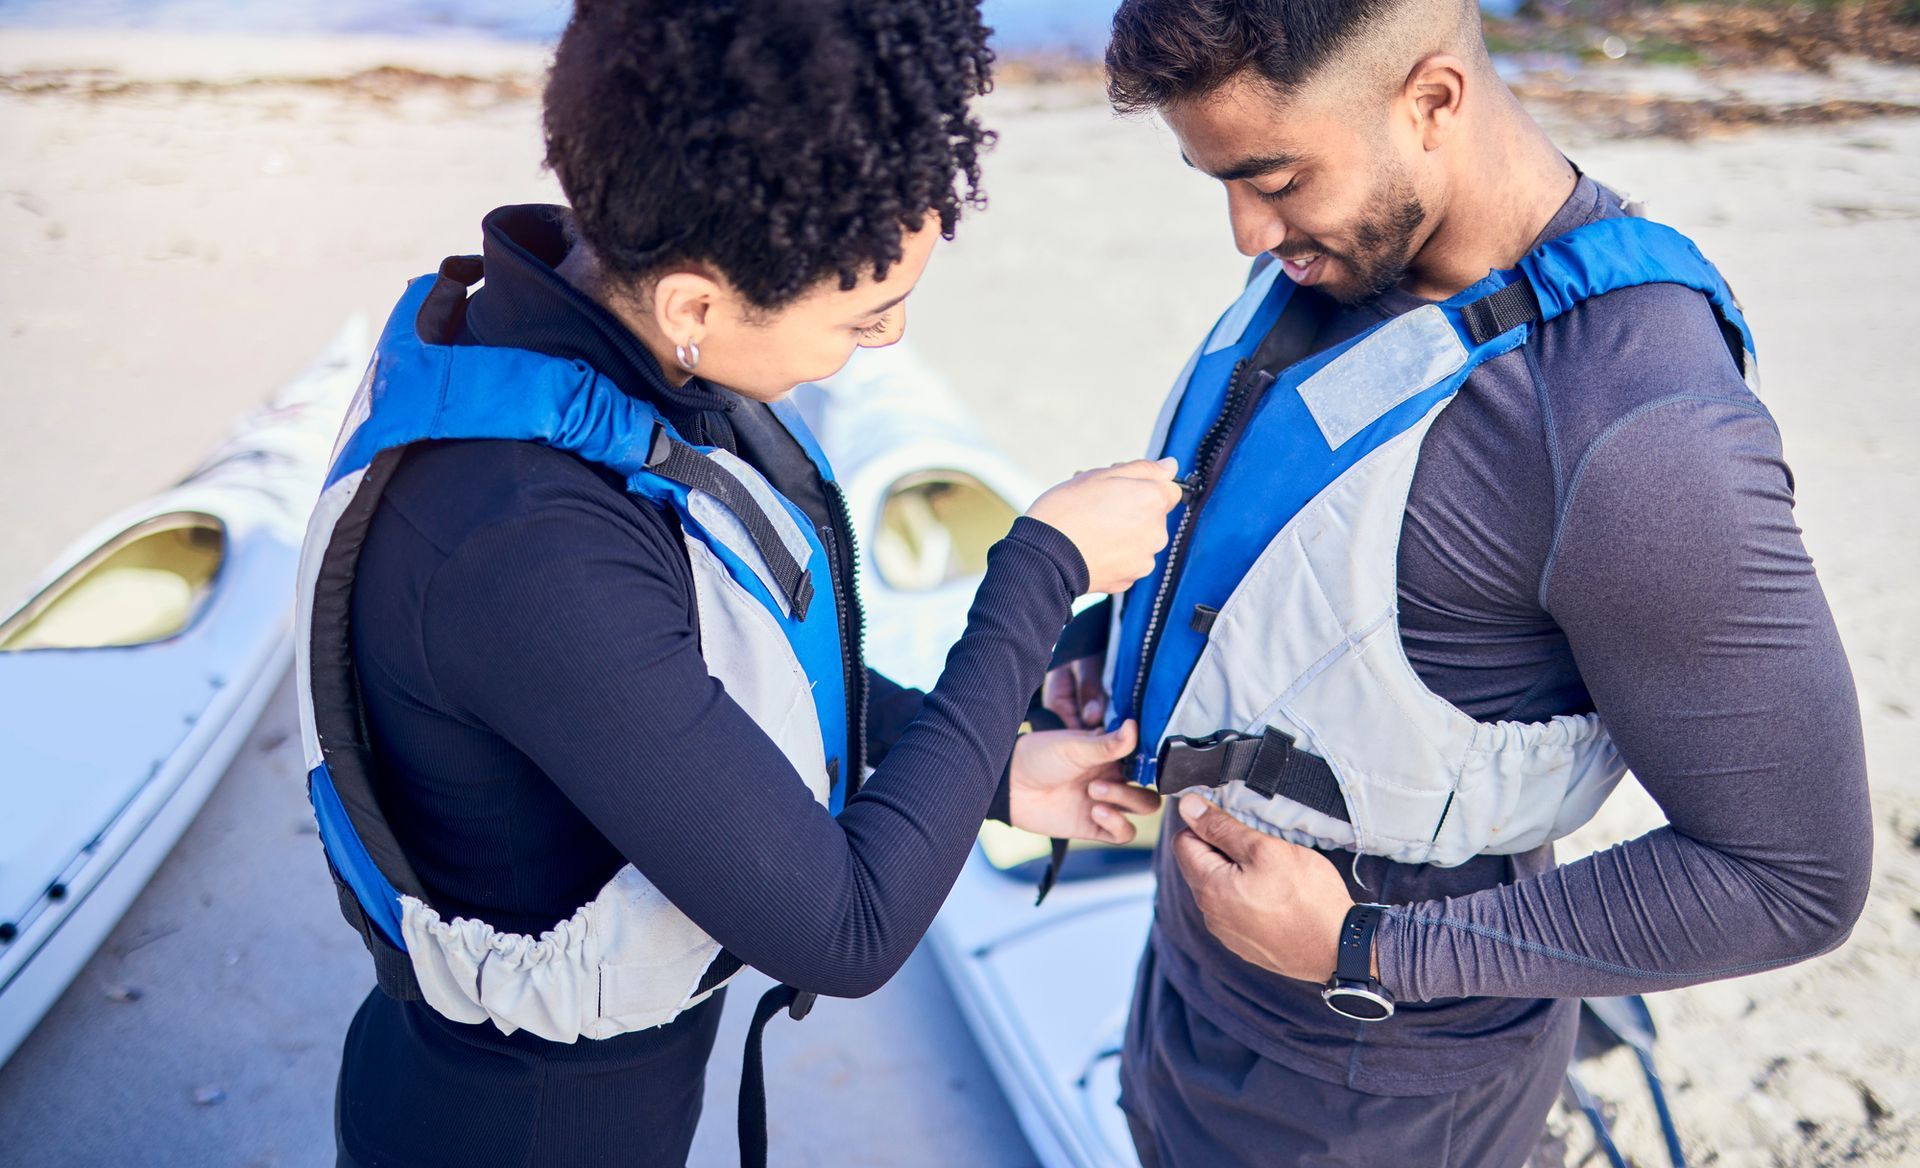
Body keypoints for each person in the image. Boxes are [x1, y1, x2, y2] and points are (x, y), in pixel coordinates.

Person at [294, 4, 1176, 1166]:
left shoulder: (594, 327)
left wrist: (995, 775)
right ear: (697, 307)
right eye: (865, 318)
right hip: (522, 1127)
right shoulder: (524, 544)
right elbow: (846, 928)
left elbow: (706, 697)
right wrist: (1039, 571)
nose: (890, 341)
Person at [1040, 1, 1874, 1163]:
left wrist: (1370, 948)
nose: (1244, 231)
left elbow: (1793, 878)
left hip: (1373, 1086)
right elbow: (1300, 558)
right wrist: (1112, 645)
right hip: (1189, 987)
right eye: (1218, 178)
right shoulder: (1357, 246)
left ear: (1432, 100)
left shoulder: (1641, 433)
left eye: (1274, 178)